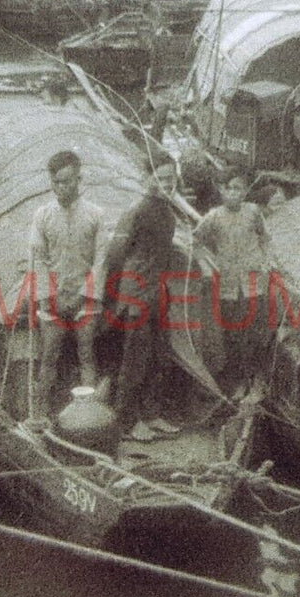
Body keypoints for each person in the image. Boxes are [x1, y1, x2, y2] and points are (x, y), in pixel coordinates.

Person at [30, 149, 107, 421]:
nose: (60, 188)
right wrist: (49, 297)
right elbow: (38, 260)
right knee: (48, 358)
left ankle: (90, 417)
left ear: (78, 179)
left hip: (85, 301)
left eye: (66, 181)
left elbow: (100, 260)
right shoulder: (42, 216)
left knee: (87, 356)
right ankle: (39, 415)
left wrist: (85, 298)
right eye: (55, 183)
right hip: (53, 300)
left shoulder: (96, 215)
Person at [104, 156, 179, 437]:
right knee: (135, 359)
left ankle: (151, 413)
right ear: (147, 179)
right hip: (136, 294)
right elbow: (116, 254)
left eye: (171, 179)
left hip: (158, 293)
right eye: (161, 178)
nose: (167, 184)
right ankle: (125, 422)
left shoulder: (168, 212)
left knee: (159, 356)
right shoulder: (137, 211)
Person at [193, 167, 271, 400]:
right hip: (227, 283)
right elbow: (196, 241)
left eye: (239, 188)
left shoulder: (254, 212)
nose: (234, 194)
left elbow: (266, 238)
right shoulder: (214, 217)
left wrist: (266, 261)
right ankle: (235, 381)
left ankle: (254, 379)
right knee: (232, 332)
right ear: (221, 190)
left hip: (252, 282)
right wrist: (207, 265)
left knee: (253, 331)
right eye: (230, 188)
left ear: (246, 191)